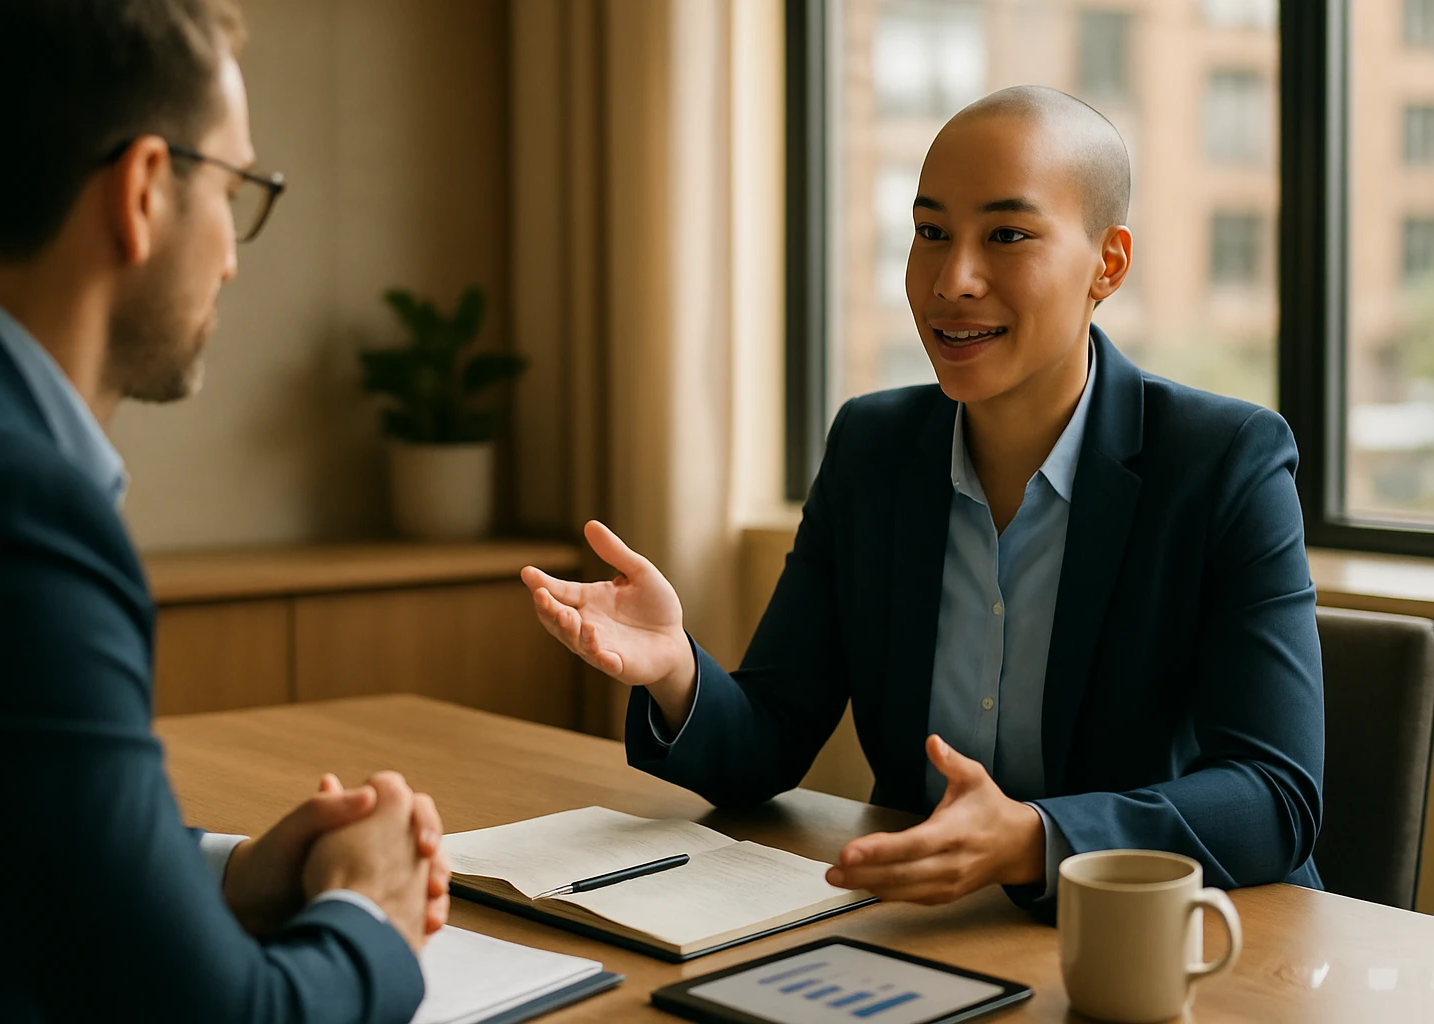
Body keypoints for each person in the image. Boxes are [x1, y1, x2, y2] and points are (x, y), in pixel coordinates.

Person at [523, 86, 1323, 913]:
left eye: (1007, 235)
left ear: (1107, 264)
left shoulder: (1224, 461)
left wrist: (1033, 839)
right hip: (931, 929)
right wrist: (676, 671)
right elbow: (768, 743)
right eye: (931, 233)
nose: (952, 280)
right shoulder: (873, 450)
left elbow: (1275, 796)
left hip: (1173, 937)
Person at [0, 1, 449, 1019]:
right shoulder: (16, 507)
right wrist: (372, 909)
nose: (232, 255)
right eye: (235, 191)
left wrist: (226, 877)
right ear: (144, 189)